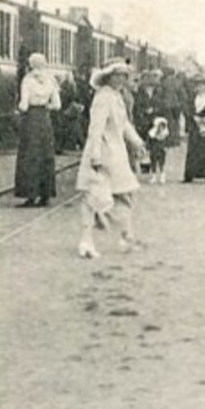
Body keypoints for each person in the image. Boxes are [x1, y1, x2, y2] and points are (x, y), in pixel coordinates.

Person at [76, 58, 148, 259]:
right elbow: (95, 128)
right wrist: (96, 155)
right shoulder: (103, 97)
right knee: (94, 197)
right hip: (103, 153)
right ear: (108, 76)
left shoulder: (116, 96)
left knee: (124, 193)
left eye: (124, 76)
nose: (121, 79)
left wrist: (137, 142)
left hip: (116, 153)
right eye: (117, 75)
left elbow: (123, 124)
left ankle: (126, 236)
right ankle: (87, 240)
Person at [13, 52, 60, 207]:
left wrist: (18, 109)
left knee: (30, 156)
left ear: (30, 64)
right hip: (45, 119)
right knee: (45, 155)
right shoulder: (51, 79)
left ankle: (30, 195)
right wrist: (46, 105)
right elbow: (57, 105)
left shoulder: (27, 80)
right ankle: (45, 194)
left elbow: (24, 104)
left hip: (31, 119)